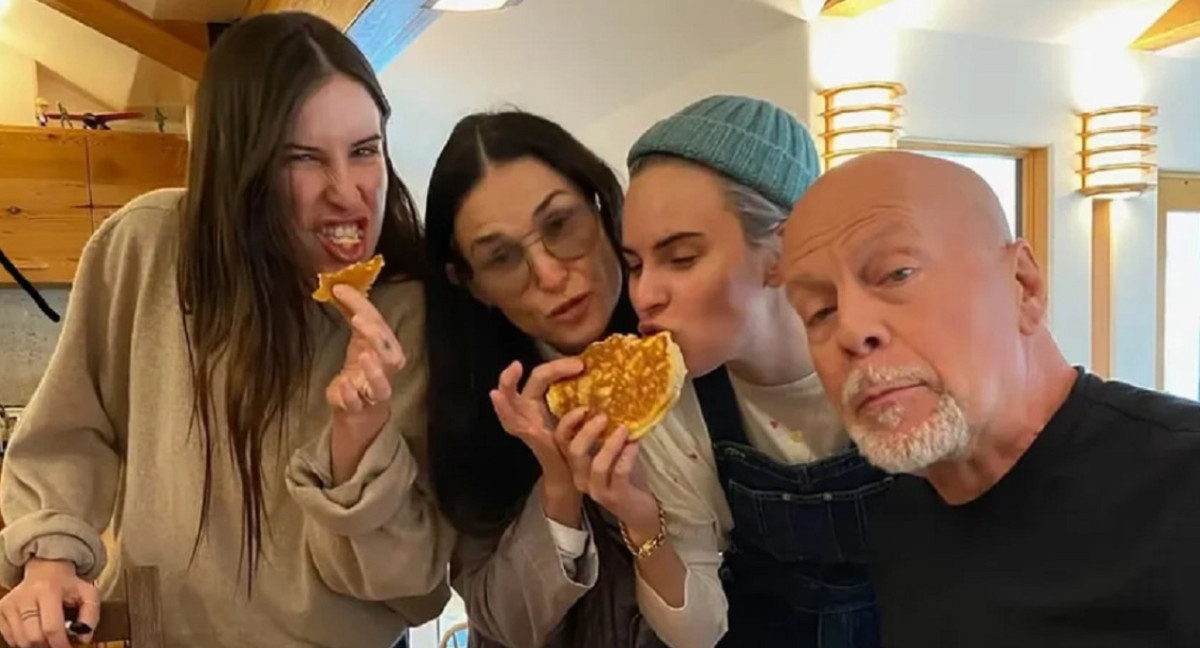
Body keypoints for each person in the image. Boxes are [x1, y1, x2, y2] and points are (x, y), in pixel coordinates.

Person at [0, 13, 450, 648]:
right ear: (240, 165)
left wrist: (359, 449)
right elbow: (74, 428)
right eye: (303, 158)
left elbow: (414, 590)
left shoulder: (413, 312)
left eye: (365, 150)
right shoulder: (148, 246)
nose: (347, 193)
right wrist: (50, 555)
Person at [780, 150, 1200, 647]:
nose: (851, 330)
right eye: (820, 312)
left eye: (897, 274)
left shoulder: (1181, 488)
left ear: (1023, 285)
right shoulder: (899, 521)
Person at [559, 95, 890, 648]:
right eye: (636, 264)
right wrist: (639, 517)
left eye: (682, 258)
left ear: (786, 249)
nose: (645, 294)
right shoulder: (675, 411)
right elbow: (698, 633)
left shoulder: (897, 364)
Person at [422, 110, 658, 648]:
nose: (551, 274)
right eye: (502, 258)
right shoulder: (471, 407)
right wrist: (558, 488)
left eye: (559, 225)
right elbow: (501, 623)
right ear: (472, 284)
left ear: (600, 205)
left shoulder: (689, 342)